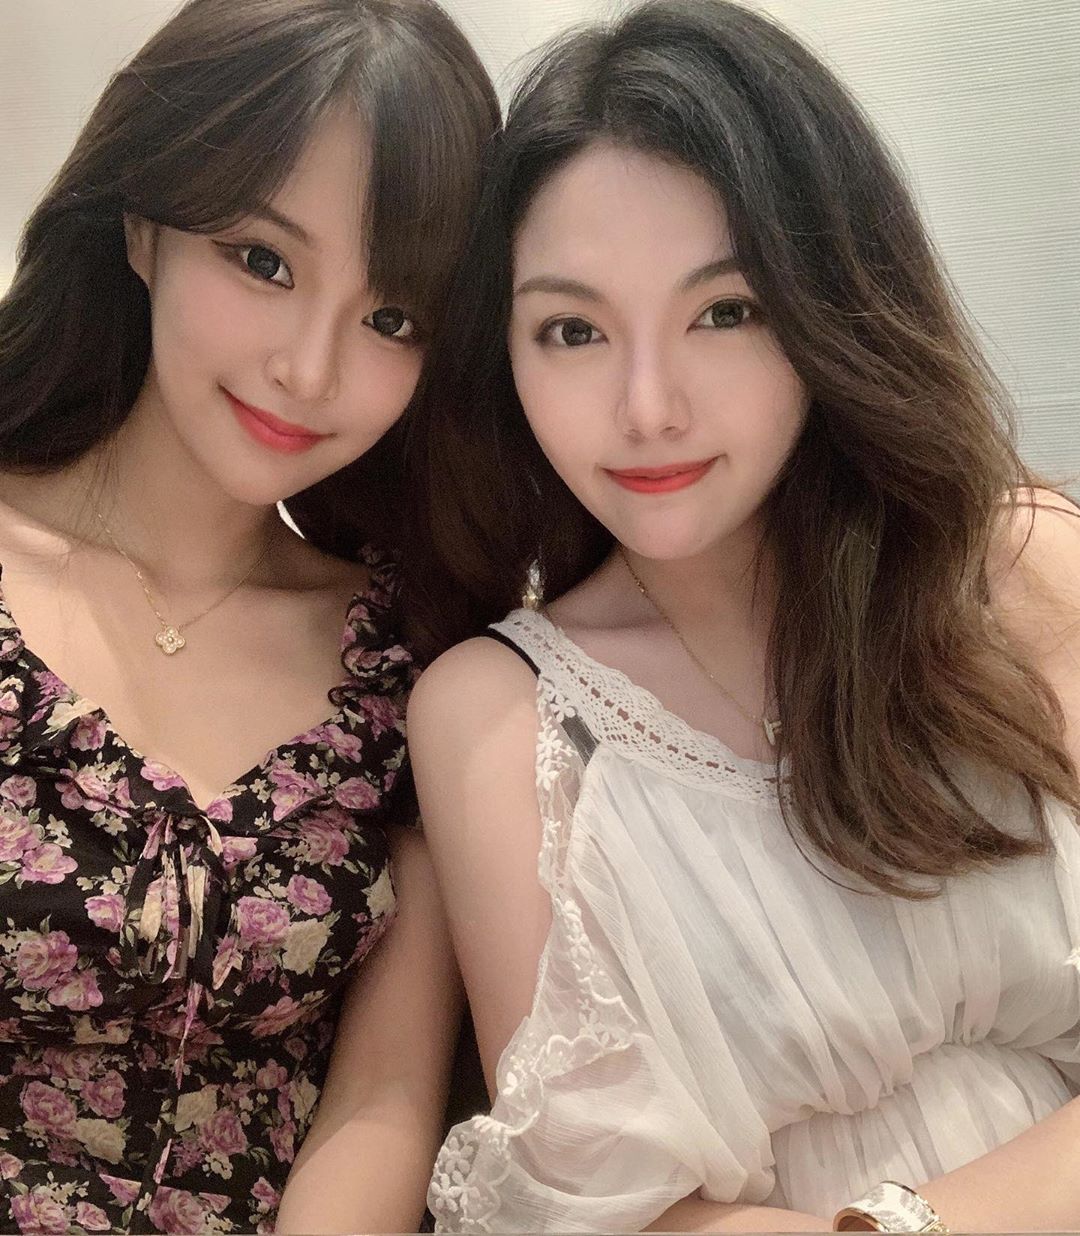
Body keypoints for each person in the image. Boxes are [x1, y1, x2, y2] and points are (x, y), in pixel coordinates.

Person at [405, 1, 1080, 1231]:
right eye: (572, 330)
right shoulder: (500, 720)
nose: (647, 406)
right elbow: (601, 1216)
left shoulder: (1018, 571)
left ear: (833, 305)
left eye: (726, 311)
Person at [0, 0, 497, 1232]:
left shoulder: (413, 661)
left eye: (391, 319)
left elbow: (383, 1099)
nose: (309, 371)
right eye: (264, 261)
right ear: (141, 223)